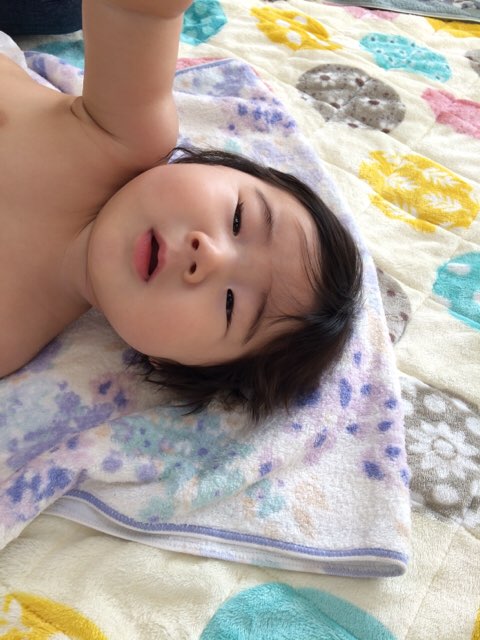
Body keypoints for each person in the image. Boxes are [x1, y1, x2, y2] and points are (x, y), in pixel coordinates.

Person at [0, 0, 362, 420]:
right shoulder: (124, 137)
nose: (208, 254)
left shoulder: (9, 336)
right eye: (239, 219)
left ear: (168, 362)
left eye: (230, 305)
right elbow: (137, 11)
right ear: (214, 166)